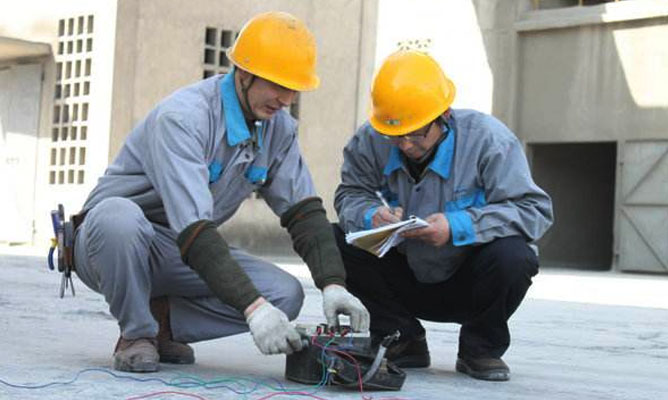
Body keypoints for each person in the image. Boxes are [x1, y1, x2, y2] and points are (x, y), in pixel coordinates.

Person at [72, 11, 369, 373]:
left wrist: (333, 284)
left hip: (178, 249)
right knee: (118, 218)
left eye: (294, 89)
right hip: (110, 247)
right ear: (243, 73)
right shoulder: (185, 118)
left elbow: (304, 213)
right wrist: (253, 309)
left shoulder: (278, 129)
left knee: (284, 294)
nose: (286, 99)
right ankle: (136, 334)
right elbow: (195, 228)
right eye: (277, 85)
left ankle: (162, 324)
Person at [333, 50, 553, 381]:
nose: (406, 145)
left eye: (416, 133)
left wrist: (458, 226)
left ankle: (480, 349)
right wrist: (370, 215)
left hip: (469, 281)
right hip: (402, 275)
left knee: (515, 256)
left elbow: (533, 209)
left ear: (444, 116)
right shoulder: (372, 138)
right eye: (396, 136)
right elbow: (349, 193)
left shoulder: (489, 140)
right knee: (332, 240)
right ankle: (402, 337)